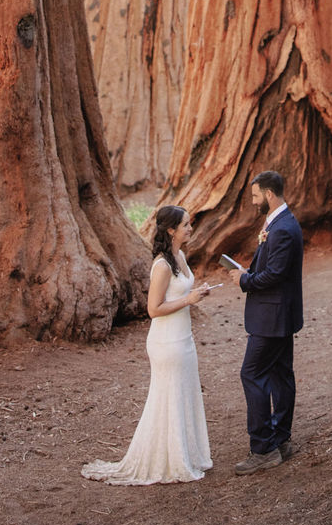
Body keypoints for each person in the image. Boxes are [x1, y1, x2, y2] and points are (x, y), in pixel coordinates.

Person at [81, 205, 214, 485]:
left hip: (183, 338)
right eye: (186, 225)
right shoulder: (163, 265)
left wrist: (196, 293)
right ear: (171, 230)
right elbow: (153, 308)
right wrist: (188, 300)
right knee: (168, 397)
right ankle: (169, 460)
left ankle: (187, 454)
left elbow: (181, 291)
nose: (191, 228)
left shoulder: (179, 256)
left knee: (183, 394)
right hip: (167, 342)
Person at [225, 170, 304, 475]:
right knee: (281, 374)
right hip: (279, 315)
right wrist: (250, 270)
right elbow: (273, 268)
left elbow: (274, 276)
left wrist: (246, 279)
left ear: (270, 195)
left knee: (252, 372)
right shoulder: (280, 222)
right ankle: (281, 438)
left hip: (272, 317)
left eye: (256, 195)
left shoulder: (282, 228)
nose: (253, 200)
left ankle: (263, 447)